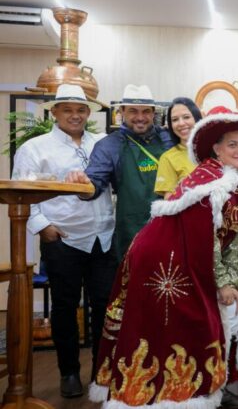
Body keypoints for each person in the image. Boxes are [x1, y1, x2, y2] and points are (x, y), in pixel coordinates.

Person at [89, 106, 238, 408]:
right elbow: (205, 241)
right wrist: (222, 283)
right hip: (163, 263)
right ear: (216, 148)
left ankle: (216, 386)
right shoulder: (209, 184)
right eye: (232, 144)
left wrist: (230, 282)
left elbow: (233, 245)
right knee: (189, 324)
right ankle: (176, 396)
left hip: (188, 261)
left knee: (219, 314)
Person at [12, 84, 115, 398]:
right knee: (65, 308)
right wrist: (43, 226)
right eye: (67, 109)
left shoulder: (103, 143)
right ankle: (69, 372)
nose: (75, 115)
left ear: (88, 113)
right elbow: (22, 191)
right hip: (62, 239)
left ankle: (102, 372)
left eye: (81, 109)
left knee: (103, 307)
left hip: (104, 238)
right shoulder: (35, 148)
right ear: (54, 112)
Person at [66, 84, 174, 262]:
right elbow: (95, 181)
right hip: (132, 230)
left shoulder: (168, 138)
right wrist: (83, 185)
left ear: (153, 112)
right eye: (133, 111)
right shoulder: (109, 145)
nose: (140, 118)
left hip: (172, 227)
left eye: (146, 111)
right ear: (122, 111)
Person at [154, 97, 203, 197]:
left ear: (197, 118)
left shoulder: (215, 151)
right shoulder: (168, 158)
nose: (181, 123)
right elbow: (170, 203)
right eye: (175, 119)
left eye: (186, 117)